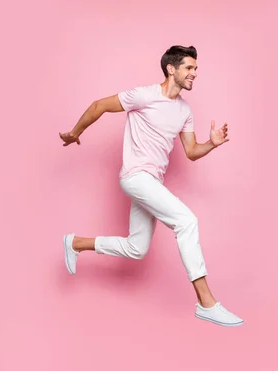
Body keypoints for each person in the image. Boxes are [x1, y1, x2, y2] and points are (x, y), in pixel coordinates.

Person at [58, 45, 243, 327]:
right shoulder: (144, 95)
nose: (194, 73)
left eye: (196, 69)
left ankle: (76, 243)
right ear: (172, 69)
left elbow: (191, 151)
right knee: (186, 221)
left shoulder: (184, 110)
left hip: (151, 183)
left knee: (137, 247)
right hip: (136, 176)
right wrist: (74, 133)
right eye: (189, 68)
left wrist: (212, 144)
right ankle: (207, 302)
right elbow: (99, 106)